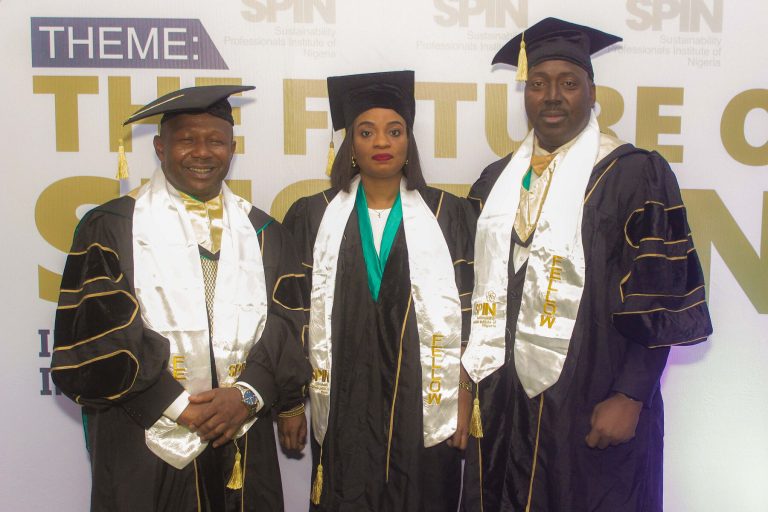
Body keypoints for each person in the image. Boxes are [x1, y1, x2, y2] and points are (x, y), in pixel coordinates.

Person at [460, 18, 713, 512]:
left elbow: (659, 294)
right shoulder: (494, 183)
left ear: (592, 93)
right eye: (538, 84)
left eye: (569, 83)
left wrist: (632, 395)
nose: (552, 96)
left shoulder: (634, 174)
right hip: (505, 407)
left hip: (593, 401)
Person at [51, 85, 312, 512]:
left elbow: (288, 326)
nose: (202, 152)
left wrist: (247, 394)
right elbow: (98, 335)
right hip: (143, 430)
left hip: (240, 431)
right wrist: (178, 406)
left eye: (216, 141)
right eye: (187, 140)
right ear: (160, 147)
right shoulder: (112, 226)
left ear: (232, 149)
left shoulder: (264, 232)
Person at [283, 70, 475, 511]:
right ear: (350, 144)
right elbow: (293, 318)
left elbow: (470, 312)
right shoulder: (313, 216)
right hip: (344, 405)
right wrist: (290, 402)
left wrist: (465, 391)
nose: (381, 142)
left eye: (395, 131)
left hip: (425, 407)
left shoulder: (450, 215)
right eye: (366, 132)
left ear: (409, 141)